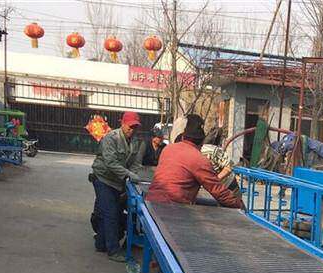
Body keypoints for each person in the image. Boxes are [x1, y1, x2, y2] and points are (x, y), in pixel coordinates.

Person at [147, 114, 243, 208]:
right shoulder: (199, 160)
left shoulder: (167, 149)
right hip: (174, 209)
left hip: (150, 204)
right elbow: (217, 191)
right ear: (202, 142)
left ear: (183, 137)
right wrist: (240, 205)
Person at [90, 111, 143, 262]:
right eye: (130, 126)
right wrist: (128, 174)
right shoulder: (111, 138)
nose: (132, 130)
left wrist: (133, 174)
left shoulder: (135, 141)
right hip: (103, 179)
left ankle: (101, 244)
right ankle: (113, 250)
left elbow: (135, 163)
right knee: (111, 213)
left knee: (109, 213)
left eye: (135, 127)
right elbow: (111, 163)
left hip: (118, 183)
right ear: (123, 124)